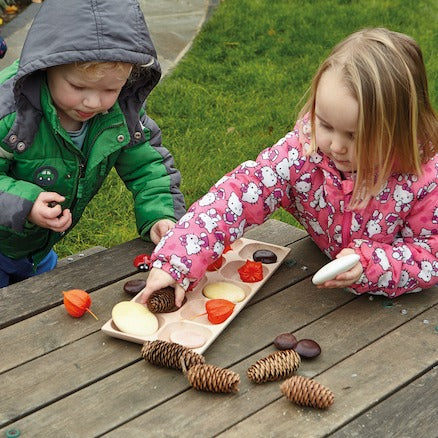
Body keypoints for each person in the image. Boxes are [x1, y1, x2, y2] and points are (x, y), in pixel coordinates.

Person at [140, 27, 438, 306]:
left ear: (399, 130)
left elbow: (430, 255)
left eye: (355, 135)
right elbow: (238, 196)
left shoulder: (421, 180)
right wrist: (177, 261)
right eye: (325, 123)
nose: (335, 145)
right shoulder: (304, 154)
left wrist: (370, 265)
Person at [0, 0, 185, 288]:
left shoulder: (120, 112)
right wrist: (26, 204)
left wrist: (162, 214)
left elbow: (148, 165)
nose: (94, 102)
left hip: (36, 250)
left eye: (110, 89)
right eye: (78, 87)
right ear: (47, 66)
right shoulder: (10, 113)